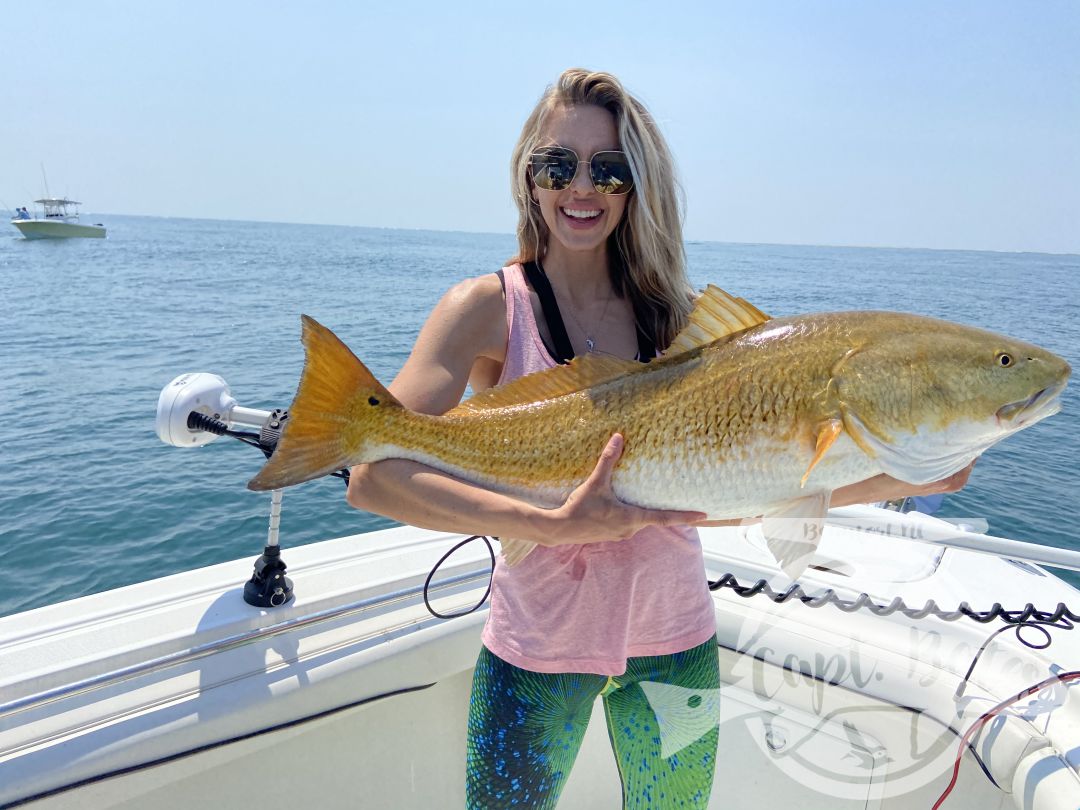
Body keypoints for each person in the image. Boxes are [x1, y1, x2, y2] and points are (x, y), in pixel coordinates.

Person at [346, 68, 972, 809]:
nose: (582, 189)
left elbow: (743, 494)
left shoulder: (678, 322)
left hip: (676, 645)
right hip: (536, 647)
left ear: (636, 183)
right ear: (529, 178)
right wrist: (549, 525)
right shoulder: (487, 308)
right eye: (559, 165)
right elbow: (371, 475)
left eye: (608, 169)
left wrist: (912, 476)